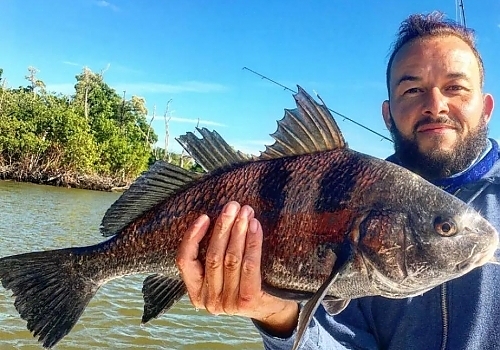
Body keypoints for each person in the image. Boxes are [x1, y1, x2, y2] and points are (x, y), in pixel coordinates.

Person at [176, 12, 499, 350]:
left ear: (486, 107)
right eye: (413, 89)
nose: (435, 105)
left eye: (456, 88)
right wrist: (275, 315)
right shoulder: (361, 198)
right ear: (387, 114)